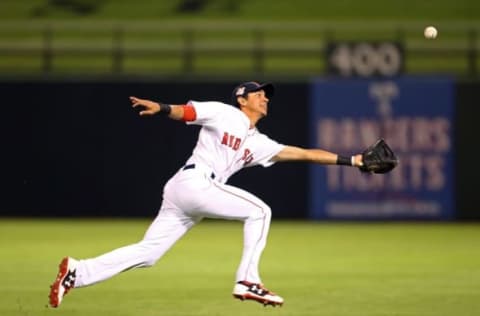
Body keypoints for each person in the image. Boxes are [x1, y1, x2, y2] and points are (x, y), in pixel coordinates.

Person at [48, 81, 363, 308]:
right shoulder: (224, 112)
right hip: (194, 182)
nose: (265, 97)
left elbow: (305, 154)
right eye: (259, 93)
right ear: (242, 98)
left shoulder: (259, 142)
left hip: (188, 194)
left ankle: (78, 271)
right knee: (260, 211)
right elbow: (185, 112)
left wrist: (353, 161)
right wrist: (160, 108)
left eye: (267, 95)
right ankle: (247, 280)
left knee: (148, 254)